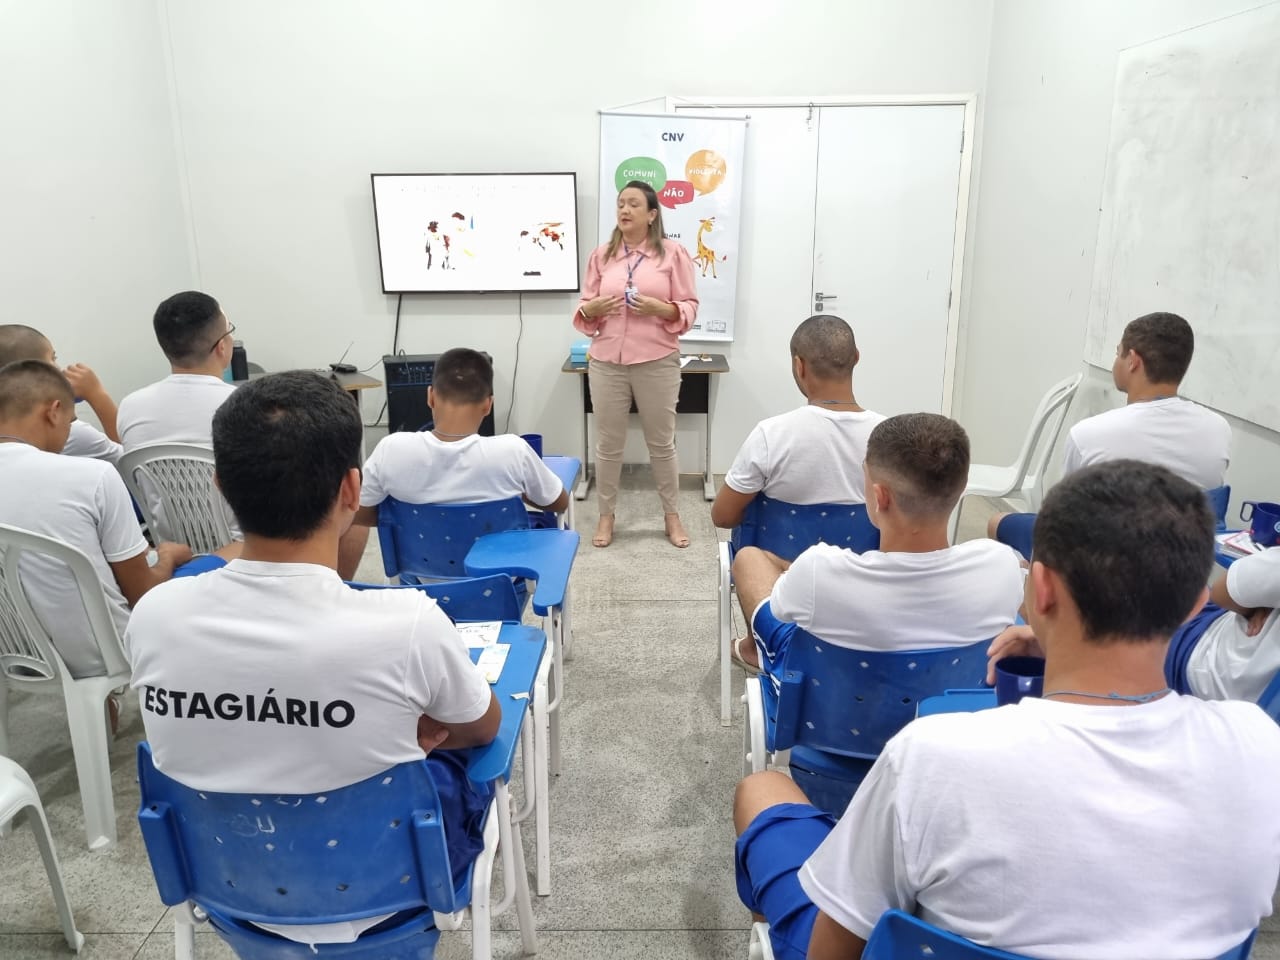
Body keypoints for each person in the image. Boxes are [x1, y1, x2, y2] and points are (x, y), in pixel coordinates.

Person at [733, 460, 1280, 960]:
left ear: (1040, 589)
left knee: (762, 791)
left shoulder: (933, 755)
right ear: (1194, 605)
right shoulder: (1259, 746)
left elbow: (837, 951)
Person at [126, 371, 500, 946]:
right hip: (393, 895)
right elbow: (481, 728)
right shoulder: (407, 624)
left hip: (227, 890)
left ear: (222, 487)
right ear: (352, 490)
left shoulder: (155, 614)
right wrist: (405, 731)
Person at [731, 414, 1023, 678]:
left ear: (880, 496)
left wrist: (794, 572)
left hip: (836, 729)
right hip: (953, 724)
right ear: (962, 487)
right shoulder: (1001, 565)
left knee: (748, 559)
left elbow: (780, 613)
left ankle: (751, 652)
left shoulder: (819, 571)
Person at [0, 360, 191, 679]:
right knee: (206, 567)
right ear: (54, 411)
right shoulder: (91, 475)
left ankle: (97, 713)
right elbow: (142, 594)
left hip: (17, 653)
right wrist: (169, 556)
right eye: (71, 422)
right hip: (106, 654)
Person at [990, 311, 1231, 557]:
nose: (1115, 360)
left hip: (1101, 565)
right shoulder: (1219, 430)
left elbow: (1064, 523)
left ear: (1133, 361)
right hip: (1178, 568)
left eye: (1118, 353)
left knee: (997, 522)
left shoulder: (1089, 435)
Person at [337, 347, 568, 580]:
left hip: (419, 591)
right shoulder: (513, 451)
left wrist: (402, 516)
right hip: (501, 591)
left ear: (430, 396)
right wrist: (522, 491)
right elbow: (558, 503)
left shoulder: (391, 449)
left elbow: (357, 512)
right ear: (488, 405)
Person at [573, 179, 699, 549]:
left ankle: (671, 516)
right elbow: (585, 309)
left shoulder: (673, 254)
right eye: (620, 204)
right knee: (608, 445)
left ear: (652, 214)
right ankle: (606, 516)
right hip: (606, 361)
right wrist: (590, 309)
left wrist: (664, 309)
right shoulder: (601, 256)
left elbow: (690, 305)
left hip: (657, 360)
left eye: (633, 205)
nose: (624, 211)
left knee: (661, 443)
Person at [711, 314, 885, 529]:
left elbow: (723, 517)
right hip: (864, 561)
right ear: (856, 357)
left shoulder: (771, 434)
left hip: (780, 562)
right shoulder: (889, 438)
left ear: (799, 365)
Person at [0, 323, 123, 463]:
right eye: (53, 359)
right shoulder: (67, 431)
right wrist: (97, 395)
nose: (60, 369)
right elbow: (133, 462)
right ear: (35, 370)